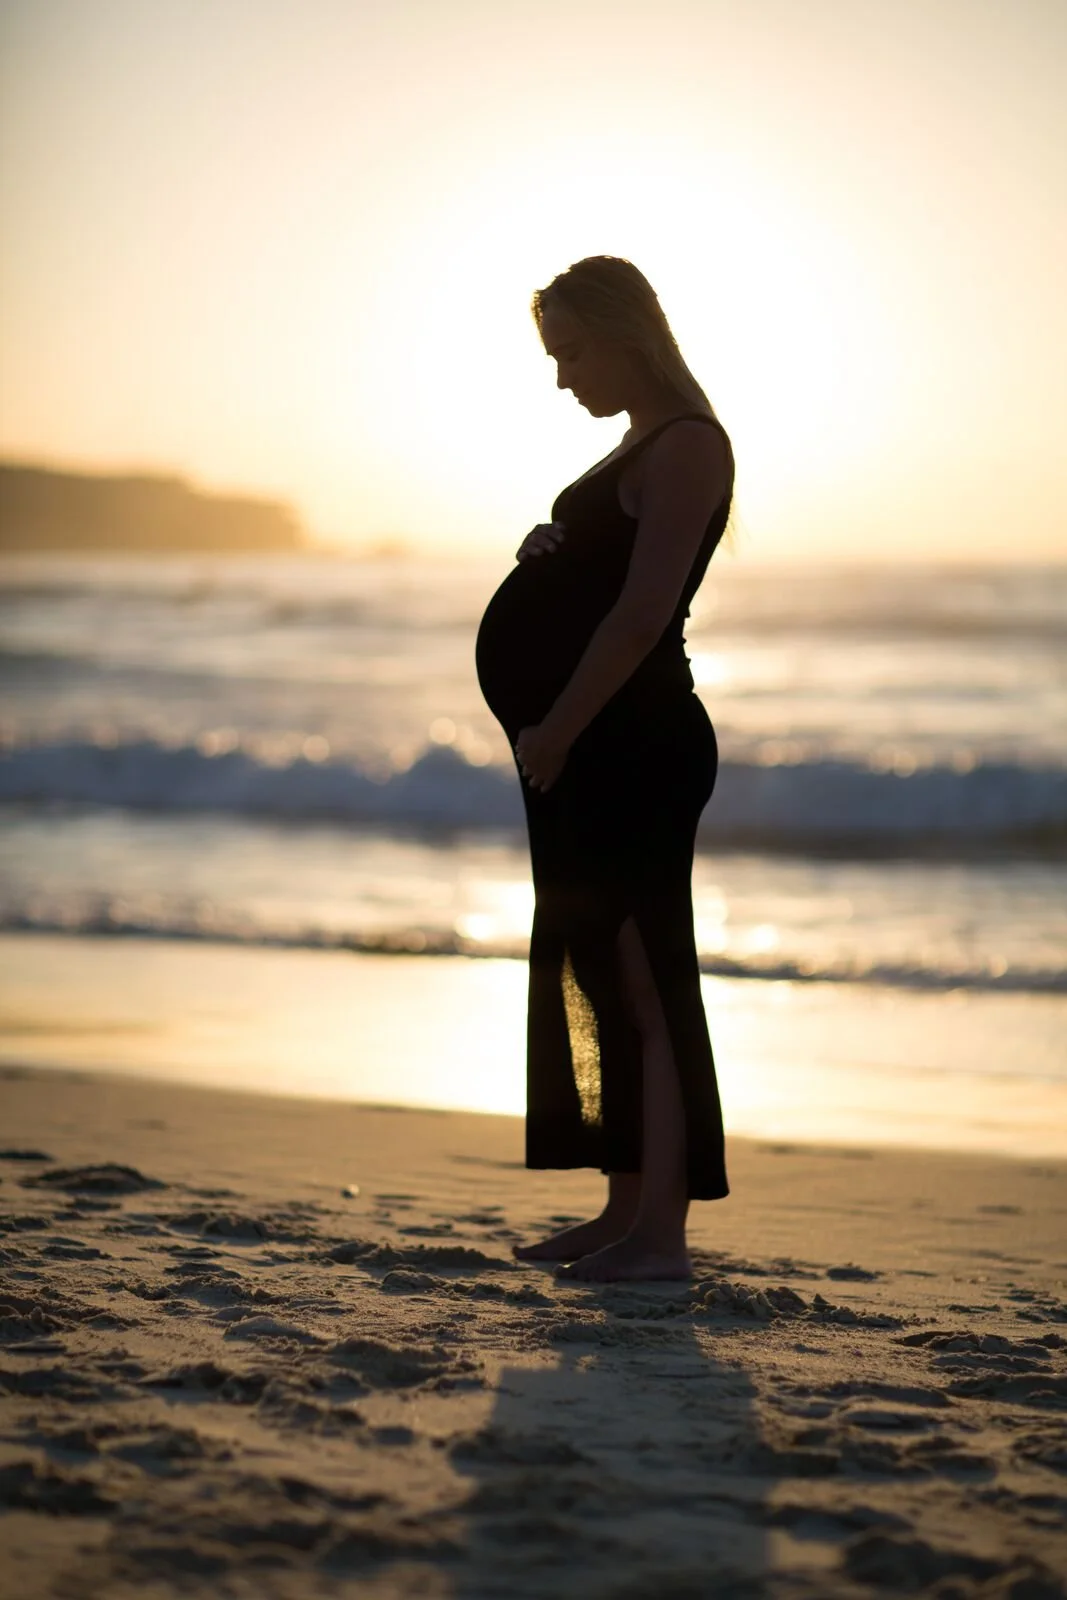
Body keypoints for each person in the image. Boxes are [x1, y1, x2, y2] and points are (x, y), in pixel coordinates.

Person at [474, 255, 734, 1282]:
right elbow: (606, 577)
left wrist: (558, 729)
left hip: (629, 745)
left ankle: (659, 1237)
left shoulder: (687, 446)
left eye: (573, 352)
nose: (562, 377)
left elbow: (639, 618)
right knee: (595, 964)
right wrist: (553, 547)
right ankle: (621, 1210)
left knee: (643, 976)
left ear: (629, 336)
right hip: (586, 746)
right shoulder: (634, 446)